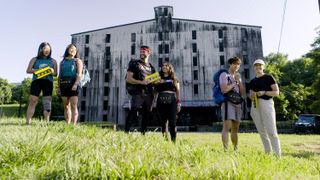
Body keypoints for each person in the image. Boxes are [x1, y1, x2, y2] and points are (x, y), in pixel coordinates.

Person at [249, 59, 281, 157]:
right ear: (254, 67)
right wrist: (253, 94)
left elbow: (276, 92)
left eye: (260, 65)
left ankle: (277, 155)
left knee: (271, 130)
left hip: (267, 103)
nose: (258, 67)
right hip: (255, 105)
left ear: (264, 67)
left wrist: (264, 92)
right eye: (256, 65)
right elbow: (250, 95)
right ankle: (268, 154)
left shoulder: (269, 77)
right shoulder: (252, 81)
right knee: (261, 131)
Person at [125, 45, 155, 134]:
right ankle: (126, 132)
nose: (142, 52)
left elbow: (154, 81)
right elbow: (128, 78)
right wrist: (141, 82)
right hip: (138, 93)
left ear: (149, 53)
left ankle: (143, 134)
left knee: (146, 115)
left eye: (144, 51)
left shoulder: (151, 68)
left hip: (149, 94)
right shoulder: (135, 64)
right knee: (133, 113)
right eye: (141, 51)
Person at [26, 42, 58, 124]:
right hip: (36, 81)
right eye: (45, 48)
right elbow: (28, 70)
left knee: (47, 102)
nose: (47, 50)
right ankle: (28, 122)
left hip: (48, 82)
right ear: (41, 49)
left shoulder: (53, 61)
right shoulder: (34, 59)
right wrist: (38, 71)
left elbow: (55, 74)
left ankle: (46, 122)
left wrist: (51, 71)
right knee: (33, 101)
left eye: (48, 49)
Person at [220, 57, 244, 151]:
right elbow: (224, 89)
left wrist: (239, 81)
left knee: (235, 128)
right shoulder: (224, 75)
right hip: (228, 102)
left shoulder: (238, 76)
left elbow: (241, 93)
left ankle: (235, 149)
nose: (237, 66)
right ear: (230, 64)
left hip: (237, 103)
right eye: (235, 63)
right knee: (227, 126)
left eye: (238, 64)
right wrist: (235, 82)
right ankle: (225, 150)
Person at [154, 62, 181, 142]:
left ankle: (173, 141)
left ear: (170, 68)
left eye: (166, 65)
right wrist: (156, 82)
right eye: (162, 65)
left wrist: (179, 103)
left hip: (172, 101)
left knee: (173, 122)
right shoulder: (157, 77)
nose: (164, 67)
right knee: (163, 122)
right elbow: (147, 81)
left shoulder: (174, 79)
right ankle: (165, 141)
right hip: (161, 101)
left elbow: (178, 92)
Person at [58, 44, 83, 125]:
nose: (72, 50)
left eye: (74, 49)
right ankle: (67, 124)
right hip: (63, 83)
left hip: (73, 83)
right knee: (66, 106)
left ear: (76, 52)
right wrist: (58, 87)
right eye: (71, 49)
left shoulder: (77, 61)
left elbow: (79, 74)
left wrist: (75, 84)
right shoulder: (62, 62)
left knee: (73, 105)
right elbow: (60, 75)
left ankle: (74, 124)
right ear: (67, 50)